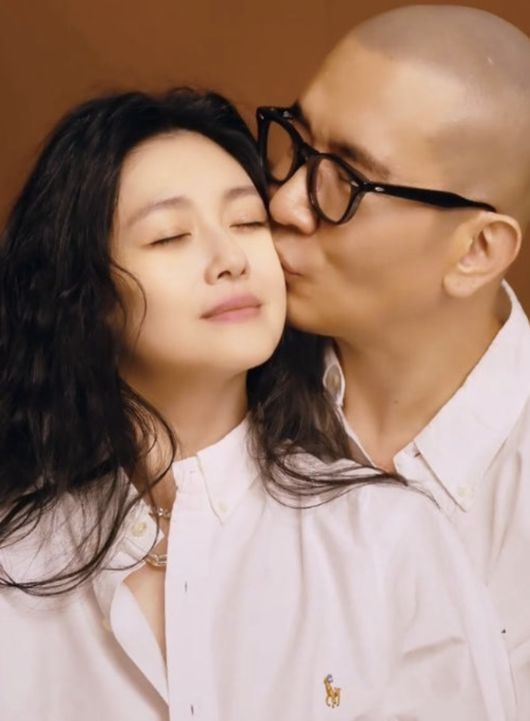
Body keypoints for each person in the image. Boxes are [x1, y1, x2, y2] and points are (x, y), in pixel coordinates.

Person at [0, 88, 514, 721]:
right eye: (169, 236)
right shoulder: (15, 558)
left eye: (248, 222)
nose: (230, 260)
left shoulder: (389, 539)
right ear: (85, 296)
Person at [260, 3, 530, 717]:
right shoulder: (212, 371)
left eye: (345, 180)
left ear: (476, 251)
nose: (285, 203)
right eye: (295, 143)